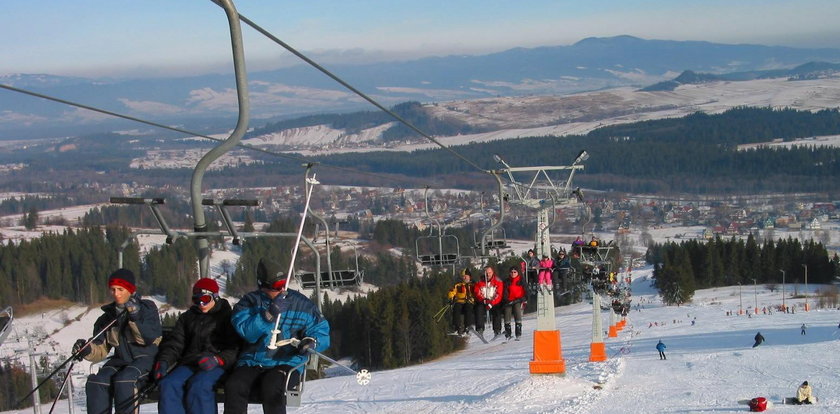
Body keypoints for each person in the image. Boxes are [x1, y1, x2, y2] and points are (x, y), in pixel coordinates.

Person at [224, 258, 330, 414]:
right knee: (234, 386)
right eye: (277, 286)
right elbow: (247, 333)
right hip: (253, 360)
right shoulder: (249, 303)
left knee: (272, 387)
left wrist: (312, 341)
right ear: (262, 286)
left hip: (287, 361)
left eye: (284, 284)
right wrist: (267, 316)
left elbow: (320, 329)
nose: (282, 290)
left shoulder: (301, 304)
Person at [72, 268, 162, 414]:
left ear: (130, 290)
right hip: (121, 360)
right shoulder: (107, 318)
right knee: (97, 381)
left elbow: (148, 338)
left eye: (121, 289)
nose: (116, 294)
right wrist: (86, 349)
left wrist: (135, 317)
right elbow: (101, 349)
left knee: (124, 380)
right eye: (113, 290)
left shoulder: (147, 308)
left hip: (145, 360)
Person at [154, 278, 240, 414]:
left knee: (199, 386)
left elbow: (234, 347)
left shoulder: (226, 317)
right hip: (190, 362)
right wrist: (164, 361)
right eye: (196, 299)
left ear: (215, 297)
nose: (201, 303)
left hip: (215, 364)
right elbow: (175, 344)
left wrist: (218, 359)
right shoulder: (188, 318)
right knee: (169, 384)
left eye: (205, 299)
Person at [474, 265, 503, 340]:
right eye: (486, 273)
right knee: (479, 309)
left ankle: (497, 330)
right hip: (483, 301)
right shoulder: (479, 281)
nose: (488, 275)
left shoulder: (498, 281)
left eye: (489, 273)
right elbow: (477, 292)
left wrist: (491, 303)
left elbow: (499, 294)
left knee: (497, 310)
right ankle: (480, 328)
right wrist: (483, 300)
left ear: (492, 272)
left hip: (493, 302)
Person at [447, 269, 475, 335]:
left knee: (468, 308)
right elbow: (452, 291)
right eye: (463, 276)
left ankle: (467, 327)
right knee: (456, 308)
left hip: (469, 302)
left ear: (469, 276)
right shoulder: (458, 285)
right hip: (460, 301)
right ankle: (457, 327)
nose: (464, 277)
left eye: (466, 276)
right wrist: (451, 298)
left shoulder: (473, 285)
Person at [502, 267, 526, 341]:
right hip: (509, 300)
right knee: (507, 313)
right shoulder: (507, 281)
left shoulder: (521, 280)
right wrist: (506, 300)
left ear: (517, 273)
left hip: (518, 300)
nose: (513, 274)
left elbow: (526, 291)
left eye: (515, 272)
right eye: (511, 272)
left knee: (517, 312)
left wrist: (523, 299)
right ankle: (508, 333)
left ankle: (518, 333)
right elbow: (504, 291)